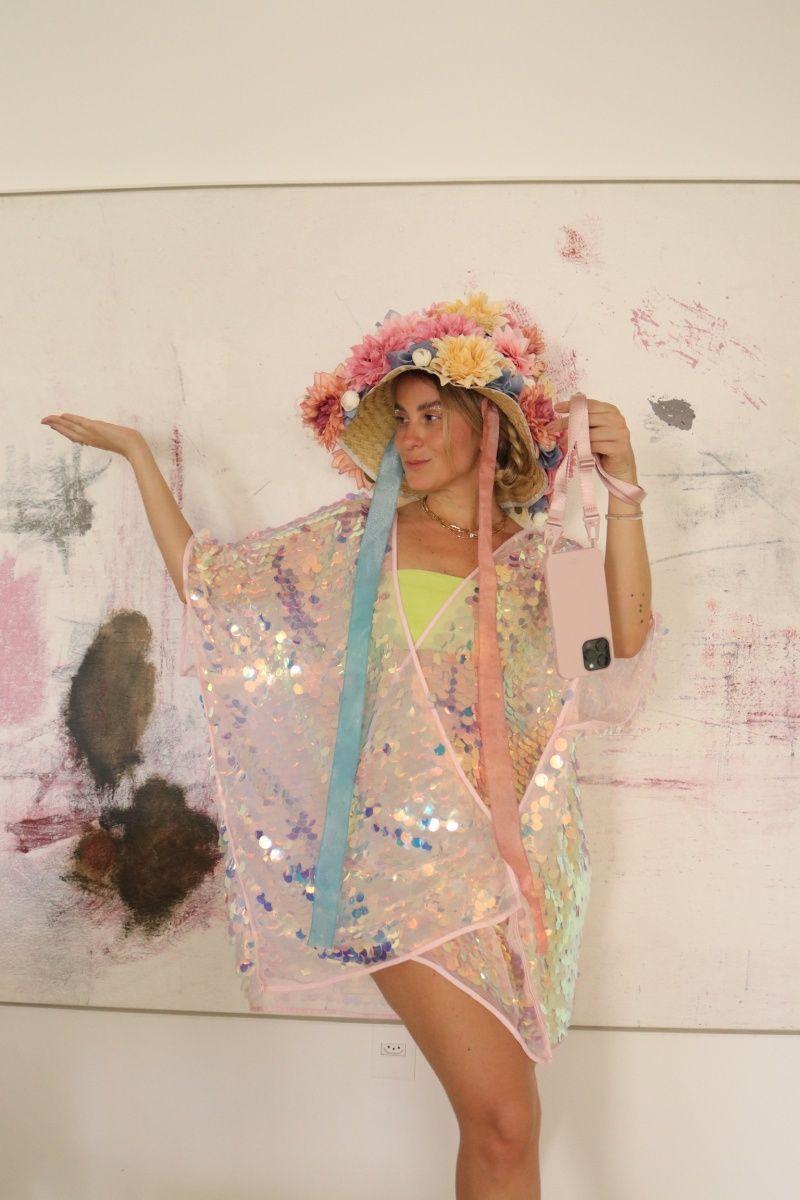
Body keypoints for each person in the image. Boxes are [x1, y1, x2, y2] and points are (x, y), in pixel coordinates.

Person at [40, 291, 662, 1200]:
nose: (411, 437)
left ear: (486, 425)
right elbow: (209, 583)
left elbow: (617, 642)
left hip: (506, 871)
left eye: (431, 415)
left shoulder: (537, 560)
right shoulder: (356, 541)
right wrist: (139, 453)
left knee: (509, 1122)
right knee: (502, 1119)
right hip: (398, 866)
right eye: (400, 420)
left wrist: (625, 489)